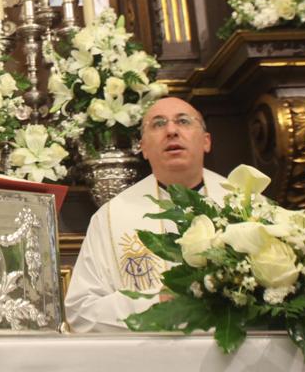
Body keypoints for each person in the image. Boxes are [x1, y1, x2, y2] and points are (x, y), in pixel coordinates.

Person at [64, 97, 228, 332]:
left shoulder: (249, 204)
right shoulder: (110, 218)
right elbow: (81, 311)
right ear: (143, 147)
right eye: (158, 124)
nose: (171, 130)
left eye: (183, 121)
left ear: (206, 141)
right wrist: (155, 304)